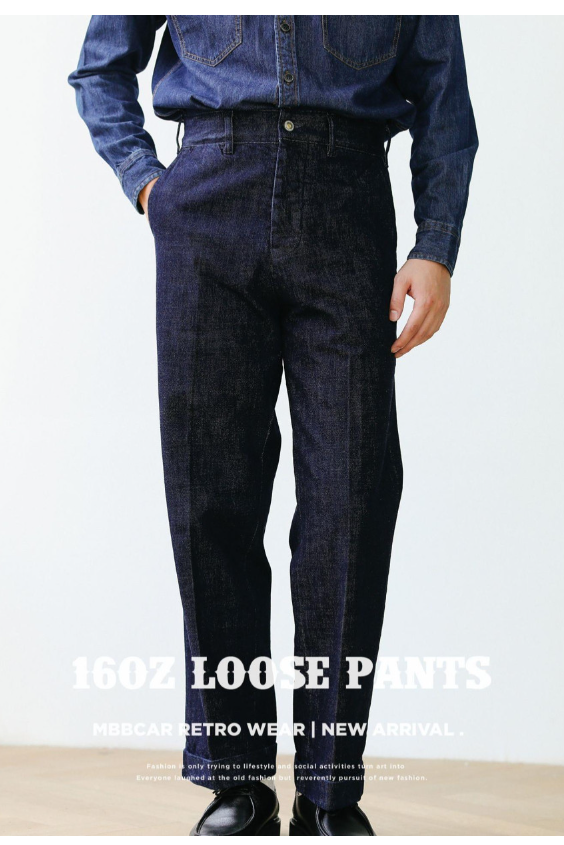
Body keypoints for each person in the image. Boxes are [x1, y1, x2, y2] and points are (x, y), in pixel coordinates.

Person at [69, 15, 477, 837]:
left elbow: (443, 94)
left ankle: (330, 789)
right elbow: (100, 69)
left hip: (349, 202)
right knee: (210, 499)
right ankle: (238, 781)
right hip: (208, 197)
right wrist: (149, 185)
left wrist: (435, 243)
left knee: (351, 505)